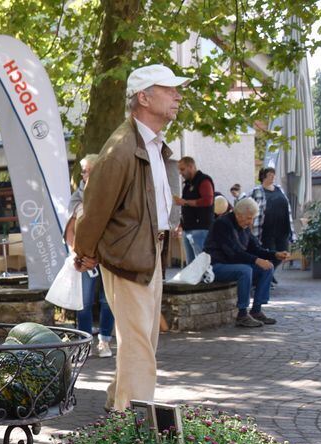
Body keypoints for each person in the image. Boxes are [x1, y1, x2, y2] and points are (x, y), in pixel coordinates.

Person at [73, 63, 188, 411]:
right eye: (169, 89)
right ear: (143, 97)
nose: (177, 95)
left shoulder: (151, 143)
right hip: (127, 256)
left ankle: (116, 402)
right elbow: (95, 209)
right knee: (139, 345)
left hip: (149, 251)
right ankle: (134, 424)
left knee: (143, 342)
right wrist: (86, 252)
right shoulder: (121, 148)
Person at [203, 197, 289, 327]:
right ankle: (242, 314)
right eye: (249, 218)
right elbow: (232, 253)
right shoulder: (222, 224)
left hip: (232, 265)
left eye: (252, 218)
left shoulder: (244, 226)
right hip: (215, 266)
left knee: (267, 268)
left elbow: (255, 248)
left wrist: (274, 254)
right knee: (245, 270)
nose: (251, 222)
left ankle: (256, 311)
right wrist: (256, 260)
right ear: (238, 214)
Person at [64, 154, 114, 358]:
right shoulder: (78, 196)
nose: (85, 174)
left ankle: (104, 341)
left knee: (108, 300)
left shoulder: (111, 193)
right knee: (83, 301)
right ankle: (84, 343)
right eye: (83, 171)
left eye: (88, 170)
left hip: (107, 255)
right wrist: (81, 253)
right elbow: (72, 226)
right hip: (85, 257)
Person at [173, 156, 214, 264]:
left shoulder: (203, 180)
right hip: (188, 228)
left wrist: (184, 202)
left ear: (191, 167)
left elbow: (208, 200)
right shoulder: (187, 184)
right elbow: (186, 208)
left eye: (182, 169)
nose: (180, 173)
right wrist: (180, 225)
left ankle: (204, 280)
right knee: (191, 264)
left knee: (201, 263)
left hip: (200, 228)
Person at [249, 167, 293, 254]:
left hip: (283, 230)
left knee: (283, 253)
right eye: (270, 175)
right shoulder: (256, 191)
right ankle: (270, 268)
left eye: (274, 175)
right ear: (263, 176)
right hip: (267, 231)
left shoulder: (279, 188)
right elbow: (248, 207)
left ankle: (271, 267)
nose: (273, 177)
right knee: (270, 255)